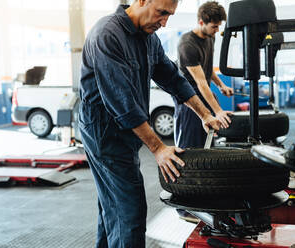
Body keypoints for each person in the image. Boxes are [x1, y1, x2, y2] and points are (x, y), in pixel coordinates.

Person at [79, 0, 221, 247]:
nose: (165, 22)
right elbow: (122, 103)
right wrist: (158, 148)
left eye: (170, 15)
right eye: (162, 12)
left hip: (125, 134)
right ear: (142, 1)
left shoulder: (148, 38)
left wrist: (204, 114)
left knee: (113, 206)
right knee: (130, 211)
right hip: (105, 135)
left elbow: (173, 79)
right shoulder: (108, 35)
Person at [174, 1, 234, 149]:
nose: (217, 30)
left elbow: (206, 69)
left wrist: (221, 85)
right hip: (189, 100)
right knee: (190, 146)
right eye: (214, 26)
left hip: (204, 95)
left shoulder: (210, 37)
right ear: (201, 22)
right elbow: (200, 82)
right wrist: (218, 111)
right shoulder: (187, 45)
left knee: (207, 141)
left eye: (219, 25)